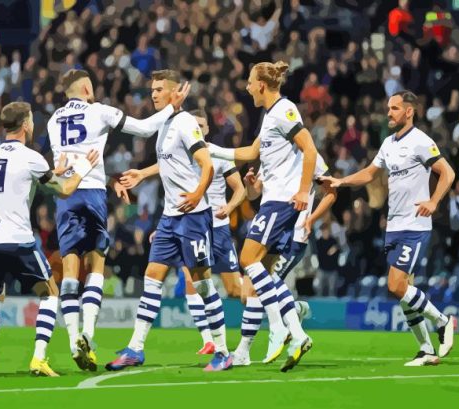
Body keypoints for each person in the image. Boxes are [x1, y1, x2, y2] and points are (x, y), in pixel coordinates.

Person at [47, 69, 189, 371]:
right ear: (87, 87)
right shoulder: (99, 111)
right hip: (92, 193)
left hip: (65, 195)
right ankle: (88, 332)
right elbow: (145, 128)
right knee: (97, 262)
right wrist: (171, 106)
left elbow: (65, 163)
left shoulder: (52, 120)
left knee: (70, 268)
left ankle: (74, 340)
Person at [105, 70, 231, 372]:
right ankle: (135, 348)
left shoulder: (187, 122)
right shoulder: (164, 123)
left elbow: (206, 164)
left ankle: (223, 351)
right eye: (152, 89)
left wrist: (198, 194)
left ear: (175, 92)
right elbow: (167, 162)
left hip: (194, 216)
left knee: (202, 284)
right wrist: (142, 173)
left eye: (160, 89)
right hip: (170, 217)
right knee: (152, 278)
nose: (154, 94)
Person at [321, 90, 456, 366]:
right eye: (388, 108)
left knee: (396, 285)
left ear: (409, 111)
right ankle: (426, 350)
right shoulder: (388, 143)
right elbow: (370, 173)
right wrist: (341, 181)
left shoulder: (421, 141)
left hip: (415, 225)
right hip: (394, 226)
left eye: (394, 108)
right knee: (405, 290)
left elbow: (448, 173)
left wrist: (433, 201)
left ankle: (443, 322)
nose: (389, 113)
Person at [0, 101, 98, 377]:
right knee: (50, 293)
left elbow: (22, 181)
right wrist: (82, 170)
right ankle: (39, 359)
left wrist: (57, 170)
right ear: (26, 124)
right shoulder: (30, 156)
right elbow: (65, 191)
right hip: (18, 239)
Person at [208, 60, 318, 370]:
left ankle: (289, 329)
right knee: (258, 282)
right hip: (274, 198)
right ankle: (250, 348)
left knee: (247, 260)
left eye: (249, 81)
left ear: (261, 85)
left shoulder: (284, 110)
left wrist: (302, 190)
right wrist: (208, 147)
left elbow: (309, 149)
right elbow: (250, 153)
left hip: (282, 201)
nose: (245, 86)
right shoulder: (270, 116)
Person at [122, 109, 245, 355]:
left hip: (215, 227)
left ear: (207, 129)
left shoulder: (216, 154)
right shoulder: (178, 149)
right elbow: (164, 165)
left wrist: (229, 207)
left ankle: (284, 307)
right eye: (194, 124)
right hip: (182, 221)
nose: (196, 128)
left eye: (201, 125)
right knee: (187, 281)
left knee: (232, 290)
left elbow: (239, 189)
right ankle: (208, 340)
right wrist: (144, 176)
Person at [233, 153, 336, 369]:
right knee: (249, 293)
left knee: (264, 284)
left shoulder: (311, 156)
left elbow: (331, 192)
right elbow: (255, 194)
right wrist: (250, 185)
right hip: (271, 231)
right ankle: (295, 311)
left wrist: (311, 219)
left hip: (294, 235)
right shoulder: (273, 150)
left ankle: (294, 334)